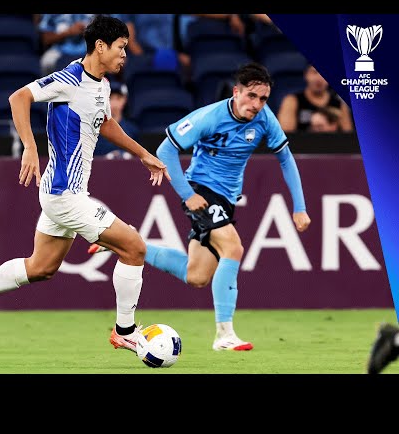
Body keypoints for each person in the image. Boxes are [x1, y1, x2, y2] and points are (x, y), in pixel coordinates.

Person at [0, 15, 170, 354]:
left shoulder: (101, 83)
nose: (124, 55)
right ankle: (125, 330)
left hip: (63, 193)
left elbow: (105, 124)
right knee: (135, 249)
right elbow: (18, 99)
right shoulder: (69, 78)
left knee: (41, 268)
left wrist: (143, 153)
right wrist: (30, 146)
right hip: (65, 195)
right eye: (120, 48)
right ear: (100, 47)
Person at [89, 62, 311, 351]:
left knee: (197, 275)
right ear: (236, 92)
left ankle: (124, 240)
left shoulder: (265, 119)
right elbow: (165, 150)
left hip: (227, 198)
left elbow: (286, 159)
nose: (256, 105)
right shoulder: (209, 116)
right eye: (251, 96)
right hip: (201, 191)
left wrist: (300, 206)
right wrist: (186, 194)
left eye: (263, 98)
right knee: (233, 247)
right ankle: (224, 335)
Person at [277, 64, 353, 133]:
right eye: (314, 72)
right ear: (306, 75)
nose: (319, 78)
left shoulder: (339, 104)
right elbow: (285, 135)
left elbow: (348, 136)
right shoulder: (292, 101)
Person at [93, 80, 138, 159]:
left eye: (118, 98)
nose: (114, 103)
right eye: (110, 98)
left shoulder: (132, 129)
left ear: (124, 100)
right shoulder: (94, 129)